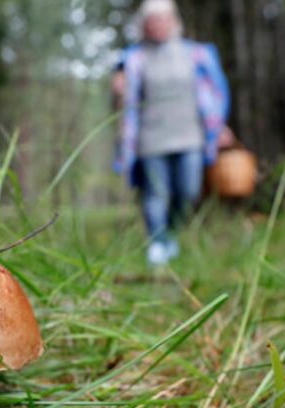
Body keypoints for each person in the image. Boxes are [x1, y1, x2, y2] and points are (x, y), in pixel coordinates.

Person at [113, 0, 231, 267]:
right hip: (151, 137)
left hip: (190, 134)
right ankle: (157, 242)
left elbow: (213, 95)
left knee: (187, 190)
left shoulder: (197, 54)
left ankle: (171, 235)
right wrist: (119, 90)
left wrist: (219, 126)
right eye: (152, 20)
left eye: (163, 19)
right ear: (144, 26)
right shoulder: (134, 58)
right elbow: (122, 93)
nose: (158, 25)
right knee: (156, 193)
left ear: (174, 21)